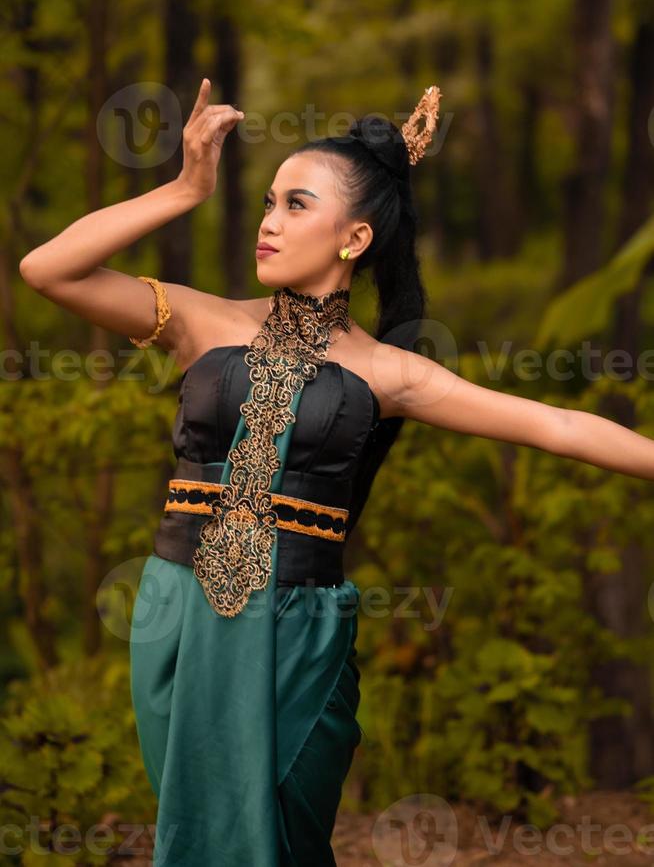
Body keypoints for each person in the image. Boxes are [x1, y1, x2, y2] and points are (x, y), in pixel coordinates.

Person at [18, 78, 654, 866]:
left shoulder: (391, 373)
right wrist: (187, 187)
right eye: (268, 203)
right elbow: (48, 269)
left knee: (284, 838)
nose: (268, 223)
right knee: (197, 831)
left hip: (300, 632)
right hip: (179, 612)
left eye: (295, 205)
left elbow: (557, 425)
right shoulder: (202, 320)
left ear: (353, 239)